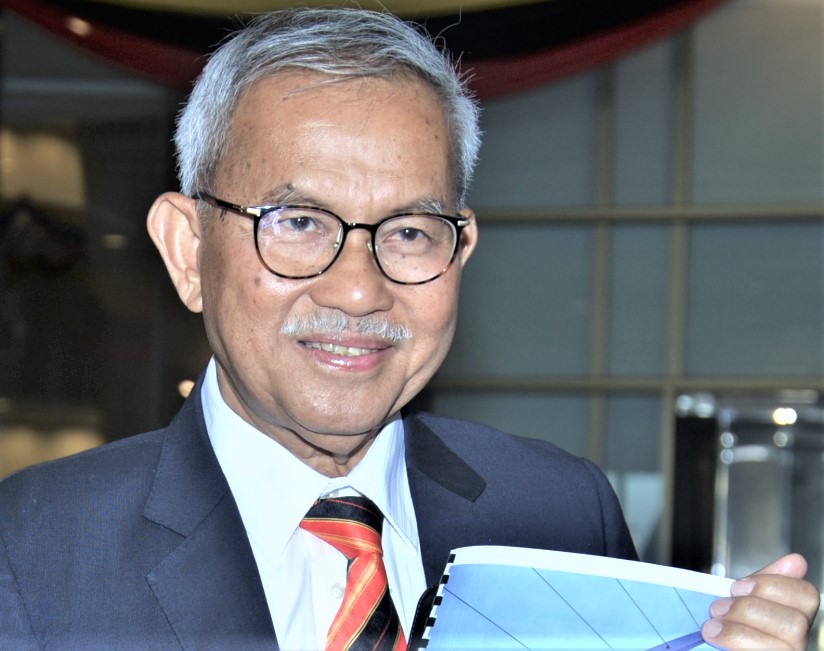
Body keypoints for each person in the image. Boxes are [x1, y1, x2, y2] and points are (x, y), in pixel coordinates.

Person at [0, 7, 818, 650]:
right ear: (187, 250)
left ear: (461, 251)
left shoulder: (562, 512)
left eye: (411, 231)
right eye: (298, 222)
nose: (360, 290)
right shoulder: (33, 553)